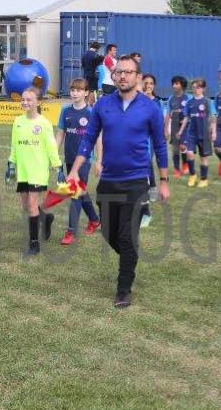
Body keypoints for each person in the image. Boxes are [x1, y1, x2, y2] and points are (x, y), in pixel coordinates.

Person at [67, 55, 170, 308]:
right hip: (108, 180)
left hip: (137, 181)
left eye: (128, 72)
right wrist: (75, 169)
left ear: (138, 76)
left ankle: (123, 289)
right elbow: (88, 138)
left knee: (126, 234)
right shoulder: (103, 105)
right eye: (118, 72)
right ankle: (130, 256)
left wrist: (164, 180)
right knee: (109, 232)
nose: (122, 76)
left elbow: (160, 145)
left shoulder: (150, 108)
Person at [6, 86, 63, 256]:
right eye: (23, 99)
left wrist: (58, 167)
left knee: (32, 205)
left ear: (38, 102)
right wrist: (11, 164)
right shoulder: (18, 121)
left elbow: (51, 148)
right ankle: (45, 218)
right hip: (23, 171)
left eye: (29, 100)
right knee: (26, 206)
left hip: (38, 171)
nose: (25, 102)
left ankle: (34, 244)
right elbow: (14, 146)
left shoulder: (44, 124)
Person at [56, 78, 102, 245]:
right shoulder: (65, 111)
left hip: (84, 160)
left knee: (75, 192)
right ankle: (94, 220)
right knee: (80, 190)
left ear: (86, 93)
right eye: (73, 90)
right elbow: (60, 134)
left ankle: (71, 232)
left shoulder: (91, 113)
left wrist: (99, 160)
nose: (75, 93)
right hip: (69, 158)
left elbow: (98, 138)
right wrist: (54, 155)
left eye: (79, 90)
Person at [176, 78, 216, 188]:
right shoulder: (189, 102)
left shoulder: (208, 102)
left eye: (198, 87)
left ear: (203, 89)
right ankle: (192, 175)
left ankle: (204, 179)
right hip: (191, 133)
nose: (196, 90)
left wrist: (214, 132)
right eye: (194, 87)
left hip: (204, 133)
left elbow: (213, 118)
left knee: (204, 157)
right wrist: (180, 131)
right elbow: (186, 118)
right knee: (189, 153)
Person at [140, 73, 162, 227]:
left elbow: (158, 121)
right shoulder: (137, 99)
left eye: (151, 83)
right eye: (146, 83)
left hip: (150, 140)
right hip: (137, 139)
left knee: (146, 165)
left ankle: (145, 212)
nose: (148, 86)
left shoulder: (156, 102)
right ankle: (152, 186)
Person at [165, 75, 191, 178]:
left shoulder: (188, 98)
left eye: (176, 83)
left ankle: (185, 164)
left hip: (186, 125)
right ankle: (176, 169)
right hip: (175, 124)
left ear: (182, 85)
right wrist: (166, 129)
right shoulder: (171, 98)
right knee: (175, 148)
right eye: (173, 84)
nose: (174, 86)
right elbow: (168, 114)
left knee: (183, 146)